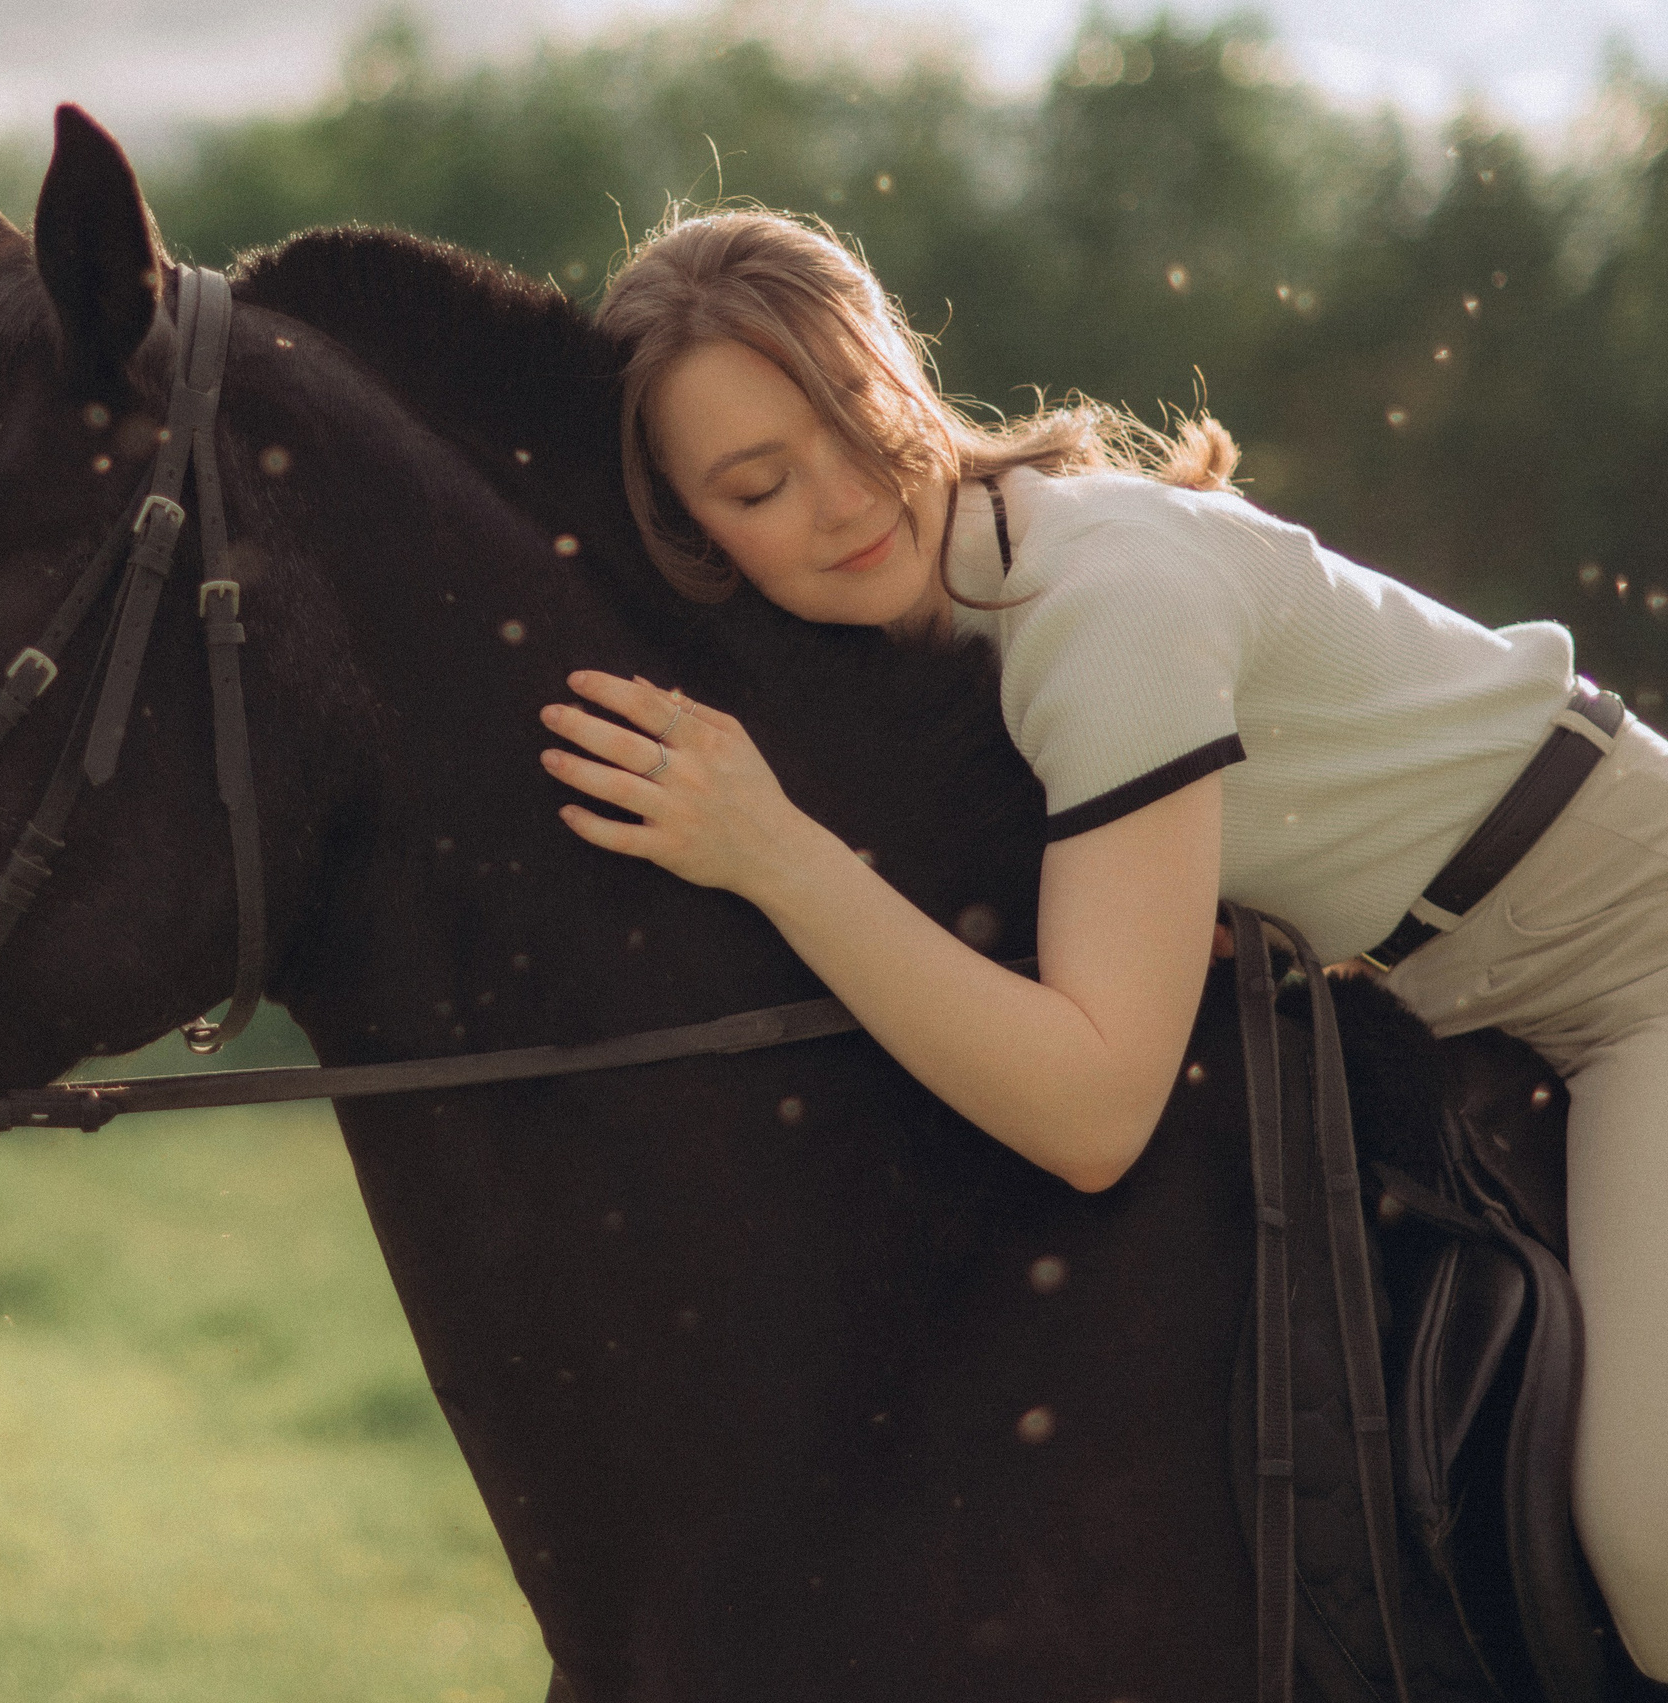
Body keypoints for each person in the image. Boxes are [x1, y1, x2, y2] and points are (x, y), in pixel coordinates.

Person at [539, 206, 1668, 1677]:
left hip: (1640, 967)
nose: (839, 499)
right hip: (1474, 999)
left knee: (1648, 1539)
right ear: (696, 531)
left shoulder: (1099, 598)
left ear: (907, 372)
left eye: (859, 416)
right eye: (758, 485)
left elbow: (1091, 1112)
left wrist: (771, 853)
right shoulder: (952, 626)